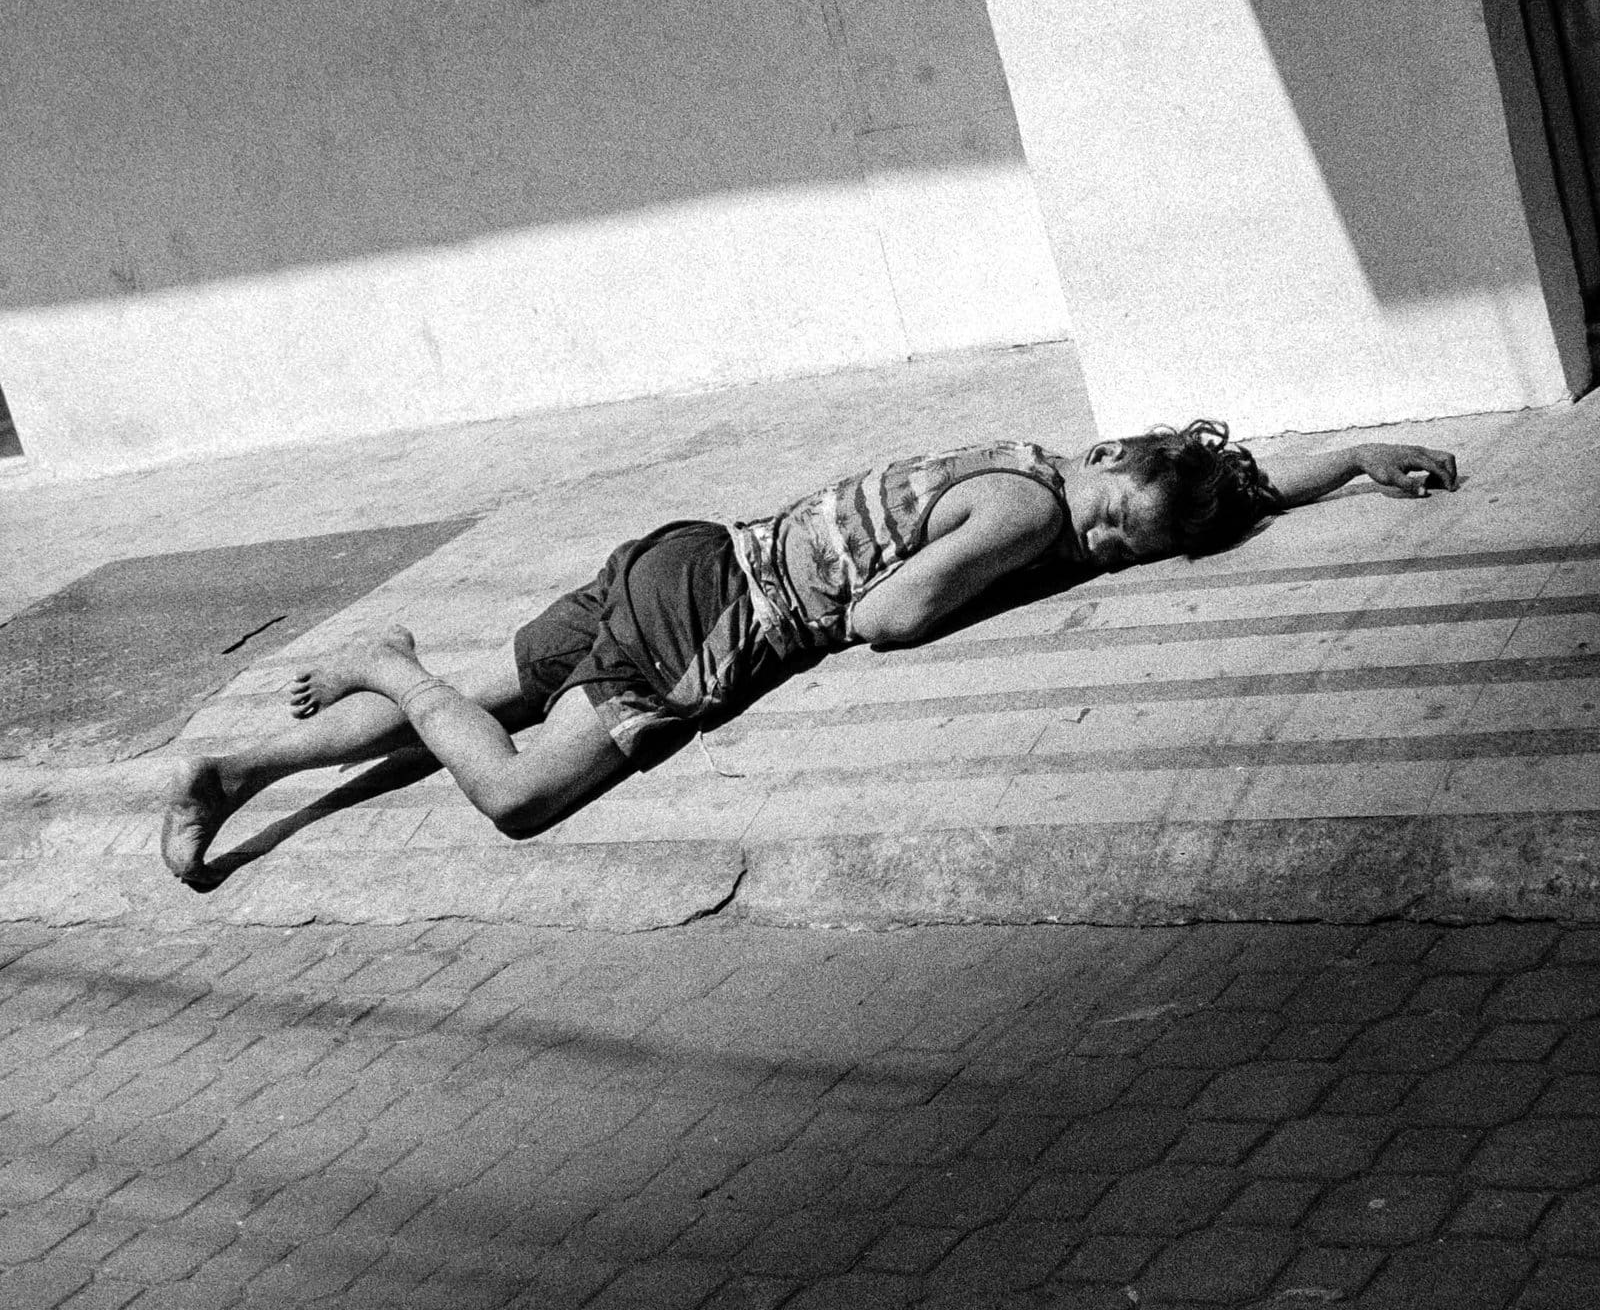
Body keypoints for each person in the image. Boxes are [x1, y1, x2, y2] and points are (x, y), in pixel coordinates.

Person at [160, 422, 1457, 887]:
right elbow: (890, 620)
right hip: (720, 614)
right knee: (514, 792)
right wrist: (1023, 579)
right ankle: (393, 661)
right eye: (1116, 537)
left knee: (506, 687)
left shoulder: (1046, 456)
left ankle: (231, 772)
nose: (1107, 555)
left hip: (681, 552)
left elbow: (1219, 483)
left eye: (1124, 553)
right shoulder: (1025, 516)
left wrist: (1339, 463)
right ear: (1109, 474)